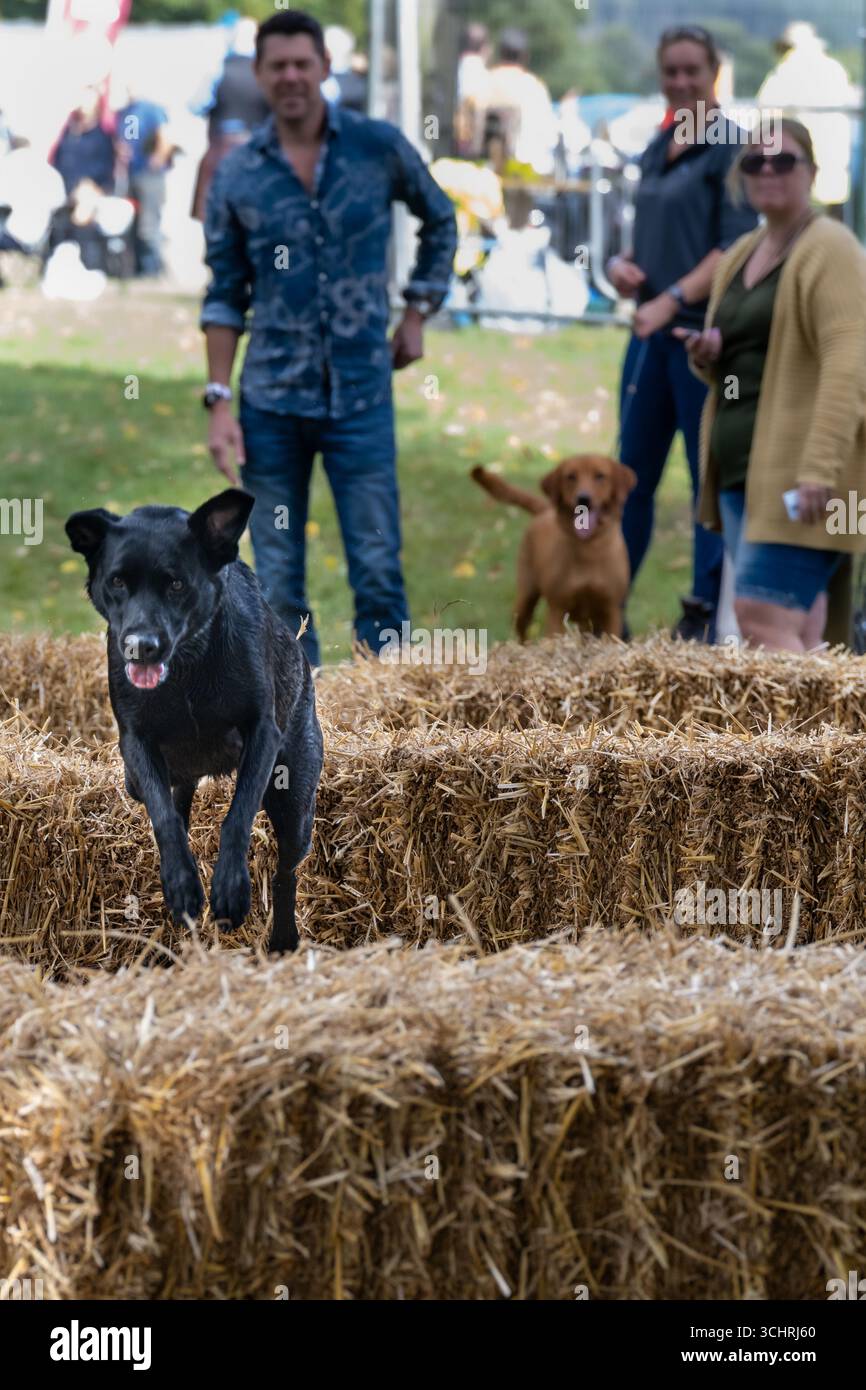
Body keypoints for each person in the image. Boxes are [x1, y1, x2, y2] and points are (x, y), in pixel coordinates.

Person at [201, 9, 457, 669]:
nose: (290, 77)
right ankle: (295, 726)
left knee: (377, 566)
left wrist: (418, 309)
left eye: (302, 64)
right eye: (277, 66)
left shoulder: (376, 147)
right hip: (271, 404)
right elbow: (225, 292)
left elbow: (441, 216)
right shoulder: (237, 173)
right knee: (279, 584)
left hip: (361, 396)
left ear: (324, 69)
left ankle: (389, 721)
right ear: (258, 75)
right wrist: (219, 401)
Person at [677, 120, 866, 653]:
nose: (767, 171)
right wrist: (709, 356)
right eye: (754, 162)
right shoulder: (742, 252)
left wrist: (819, 470)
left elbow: (850, 361)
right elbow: (747, 358)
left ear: (812, 172)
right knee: (804, 628)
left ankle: (792, 738)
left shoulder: (832, 248)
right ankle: (834, 735)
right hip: (743, 473)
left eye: (783, 160)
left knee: (761, 613)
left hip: (801, 476)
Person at [605, 25, 757, 642]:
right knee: (627, 478)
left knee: (705, 486)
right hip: (648, 337)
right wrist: (621, 265)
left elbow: (733, 247)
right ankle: (607, 603)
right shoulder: (657, 144)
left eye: (692, 70)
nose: (681, 82)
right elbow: (651, 236)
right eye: (671, 71)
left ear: (715, 73)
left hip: (703, 344)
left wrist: (671, 301)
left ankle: (703, 616)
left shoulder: (733, 150)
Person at [757, 22, 856, 218]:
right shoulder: (835, 70)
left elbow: (766, 115)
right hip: (835, 173)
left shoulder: (785, 71)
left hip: (799, 171)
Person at [190, 15, 271, 222]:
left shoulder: (217, 69)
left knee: (215, 221)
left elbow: (196, 106)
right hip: (258, 154)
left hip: (221, 150)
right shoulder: (267, 73)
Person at [115, 83, 174, 276]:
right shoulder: (126, 112)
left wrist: (156, 161)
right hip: (131, 175)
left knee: (148, 227)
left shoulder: (151, 109)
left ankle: (154, 271)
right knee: (132, 226)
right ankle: (139, 270)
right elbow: (125, 138)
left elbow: (164, 136)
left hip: (149, 176)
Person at [482, 28, 558, 176]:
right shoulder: (535, 88)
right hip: (526, 172)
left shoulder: (483, 82)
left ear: (500, 52)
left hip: (484, 173)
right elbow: (549, 137)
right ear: (525, 56)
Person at [51, 86, 115, 196]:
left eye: (88, 100)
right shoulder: (68, 129)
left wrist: (89, 184)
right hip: (63, 187)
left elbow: (105, 166)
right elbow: (59, 156)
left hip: (87, 192)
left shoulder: (102, 132)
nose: (84, 104)